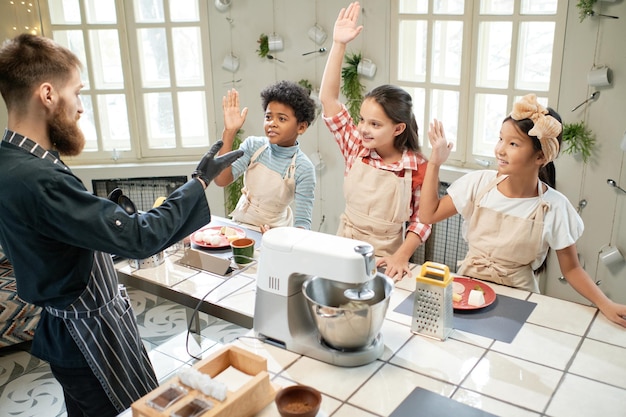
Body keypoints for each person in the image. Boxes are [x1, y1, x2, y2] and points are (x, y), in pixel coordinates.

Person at [0, 33, 243, 416]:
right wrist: (198, 181)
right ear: (47, 95)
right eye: (77, 93)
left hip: (68, 335)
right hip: (90, 340)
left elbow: (58, 239)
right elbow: (139, 235)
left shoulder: (10, 161)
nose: (80, 108)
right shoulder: (38, 178)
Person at [421, 93, 626, 328]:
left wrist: (605, 304)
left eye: (513, 144)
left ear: (541, 156)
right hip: (467, 290)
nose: (500, 150)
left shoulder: (554, 207)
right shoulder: (478, 184)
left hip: (519, 299)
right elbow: (429, 214)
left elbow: (571, 269)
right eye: (500, 139)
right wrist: (435, 162)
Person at [319, 1, 431, 281]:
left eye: (375, 124)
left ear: (398, 128)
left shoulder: (416, 167)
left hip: (386, 258)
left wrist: (402, 255)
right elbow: (328, 99)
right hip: (342, 247)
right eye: (362, 120)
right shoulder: (355, 147)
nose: (364, 129)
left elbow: (422, 219)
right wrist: (338, 44)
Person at [213, 81, 317, 231]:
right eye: (268, 117)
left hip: (277, 233)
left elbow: (303, 223)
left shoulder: (304, 168)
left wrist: (278, 239)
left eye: (281, 119)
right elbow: (222, 180)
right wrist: (229, 133)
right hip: (241, 227)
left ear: (301, 127)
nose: (272, 123)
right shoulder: (253, 146)